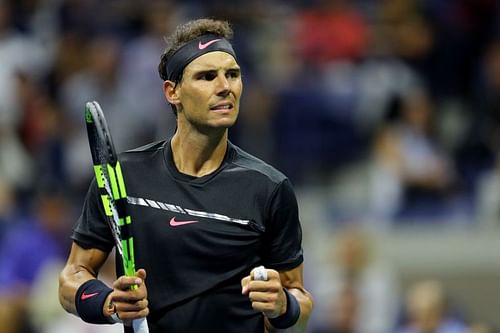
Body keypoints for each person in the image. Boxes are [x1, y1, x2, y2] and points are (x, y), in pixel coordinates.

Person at [58, 18, 313, 333]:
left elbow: (301, 307)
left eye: (232, 75)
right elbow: (72, 278)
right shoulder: (123, 176)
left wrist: (284, 305)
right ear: (172, 91)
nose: (225, 87)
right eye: (207, 77)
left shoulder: (270, 187)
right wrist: (108, 302)